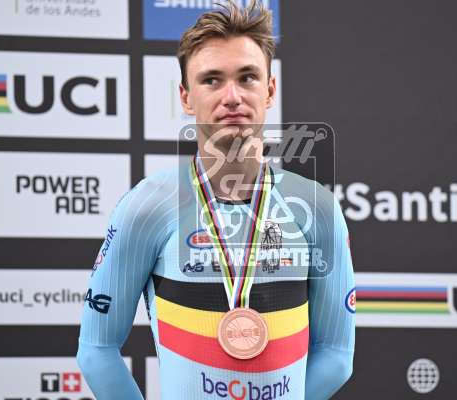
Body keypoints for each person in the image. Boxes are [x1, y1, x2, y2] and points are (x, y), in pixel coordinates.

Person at [76, 1, 355, 399]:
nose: (232, 96)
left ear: (270, 90)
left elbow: (337, 354)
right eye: (212, 80)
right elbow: (96, 350)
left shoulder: (317, 208)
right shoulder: (147, 207)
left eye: (247, 77)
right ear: (186, 97)